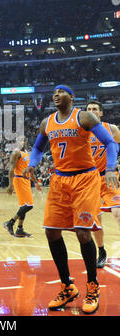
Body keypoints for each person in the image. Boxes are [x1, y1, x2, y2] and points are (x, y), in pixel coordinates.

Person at [23, 85, 119, 315]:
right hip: (59, 180)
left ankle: (92, 287)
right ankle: (67, 286)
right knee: (51, 232)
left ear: (71, 97)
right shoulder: (47, 122)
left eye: (61, 91)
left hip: (85, 178)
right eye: (54, 92)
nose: (56, 95)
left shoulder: (84, 116)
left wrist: (110, 168)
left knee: (82, 232)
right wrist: (32, 164)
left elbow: (111, 143)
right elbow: (37, 148)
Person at [86, 100, 120, 268]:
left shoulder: (111, 129)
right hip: (89, 180)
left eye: (95, 109)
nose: (91, 111)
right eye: (89, 109)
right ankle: (102, 251)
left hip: (108, 177)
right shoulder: (81, 131)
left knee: (118, 213)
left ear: (101, 113)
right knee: (95, 221)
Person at [3, 136, 41, 238]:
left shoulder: (27, 153)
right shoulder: (16, 152)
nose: (21, 142)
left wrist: (36, 183)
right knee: (29, 205)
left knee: (24, 205)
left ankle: (20, 230)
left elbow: (29, 170)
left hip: (26, 180)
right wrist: (10, 185)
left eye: (23, 140)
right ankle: (10, 223)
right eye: (19, 140)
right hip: (19, 179)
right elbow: (11, 169)